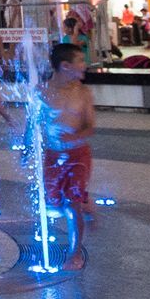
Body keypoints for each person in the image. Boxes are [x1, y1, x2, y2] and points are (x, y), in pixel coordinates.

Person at [41, 42, 96, 252]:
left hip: (78, 154)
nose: (85, 65)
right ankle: (85, 199)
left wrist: (75, 136)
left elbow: (90, 127)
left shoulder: (83, 93)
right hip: (53, 156)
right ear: (65, 66)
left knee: (72, 204)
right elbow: (33, 124)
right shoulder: (41, 92)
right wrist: (27, 149)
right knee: (53, 207)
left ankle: (75, 254)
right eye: (81, 61)